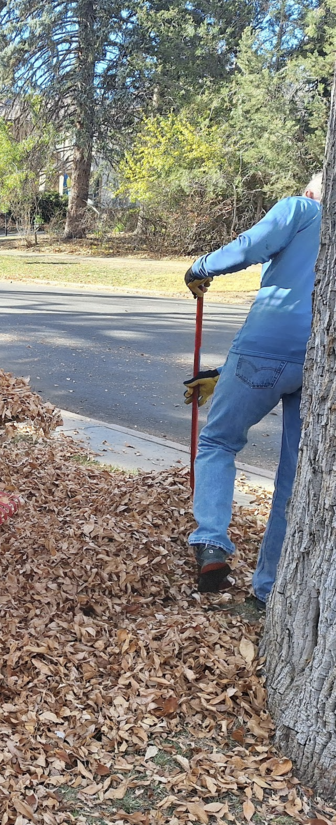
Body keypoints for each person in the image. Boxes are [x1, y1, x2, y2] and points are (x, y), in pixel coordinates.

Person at [183, 173, 323, 604]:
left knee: (219, 441)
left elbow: (251, 244)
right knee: (292, 477)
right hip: (320, 361)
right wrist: (224, 371)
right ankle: (266, 594)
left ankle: (211, 542)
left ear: (313, 191)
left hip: (265, 348)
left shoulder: (303, 209)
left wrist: (200, 267)